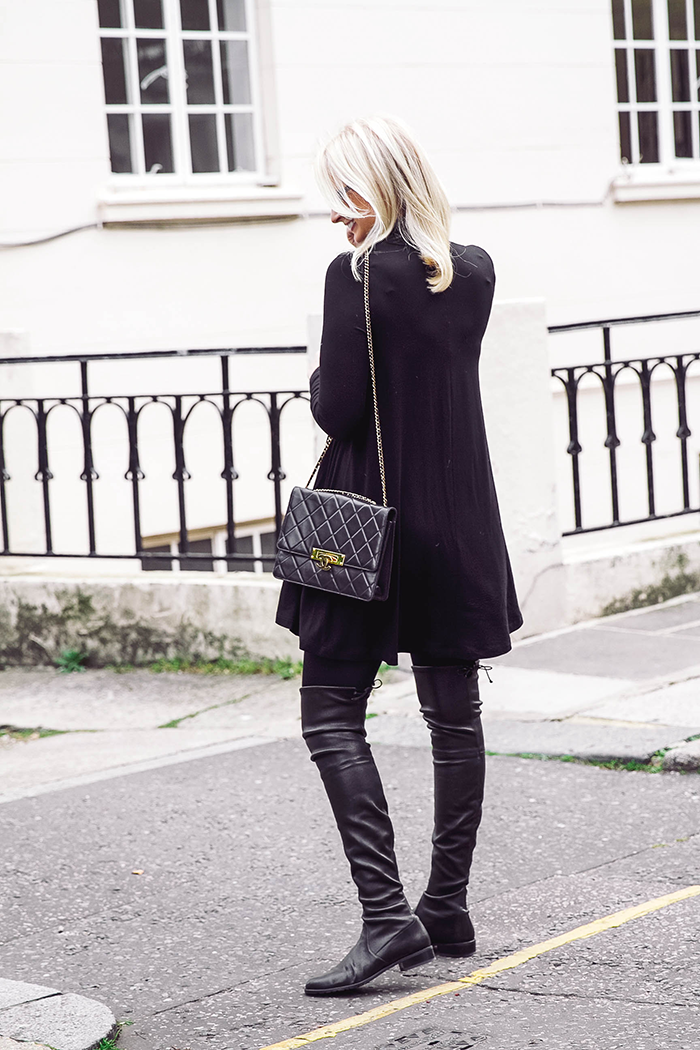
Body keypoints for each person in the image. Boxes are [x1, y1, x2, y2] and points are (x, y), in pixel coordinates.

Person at [275, 115, 523, 996]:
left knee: (329, 712)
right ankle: (445, 907)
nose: (335, 212)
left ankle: (387, 919)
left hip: (368, 527)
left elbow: (338, 409)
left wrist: (317, 375)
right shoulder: (474, 270)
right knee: (453, 717)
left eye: (343, 193)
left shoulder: (356, 275)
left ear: (376, 188)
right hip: (459, 520)